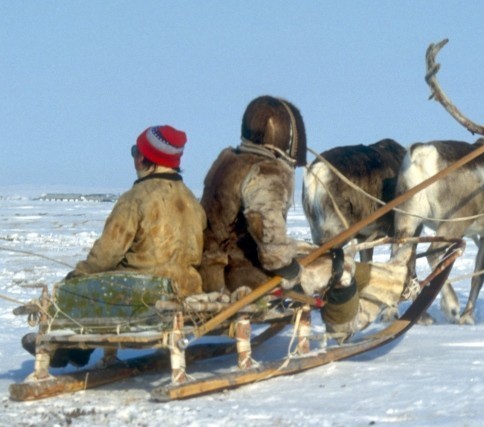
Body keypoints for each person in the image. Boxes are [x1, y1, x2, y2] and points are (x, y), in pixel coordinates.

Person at [22, 125, 207, 367]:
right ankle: (79, 350)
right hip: (187, 292)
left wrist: (76, 276)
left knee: (78, 285)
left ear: (142, 157)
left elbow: (105, 256)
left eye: (135, 151)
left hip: (145, 297)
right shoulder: (193, 201)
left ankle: (64, 347)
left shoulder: (135, 199)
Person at [198, 96, 360, 337]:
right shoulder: (267, 172)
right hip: (241, 277)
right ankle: (342, 334)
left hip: (211, 267)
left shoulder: (229, 160)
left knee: (313, 254)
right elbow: (270, 241)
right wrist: (291, 270)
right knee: (341, 264)